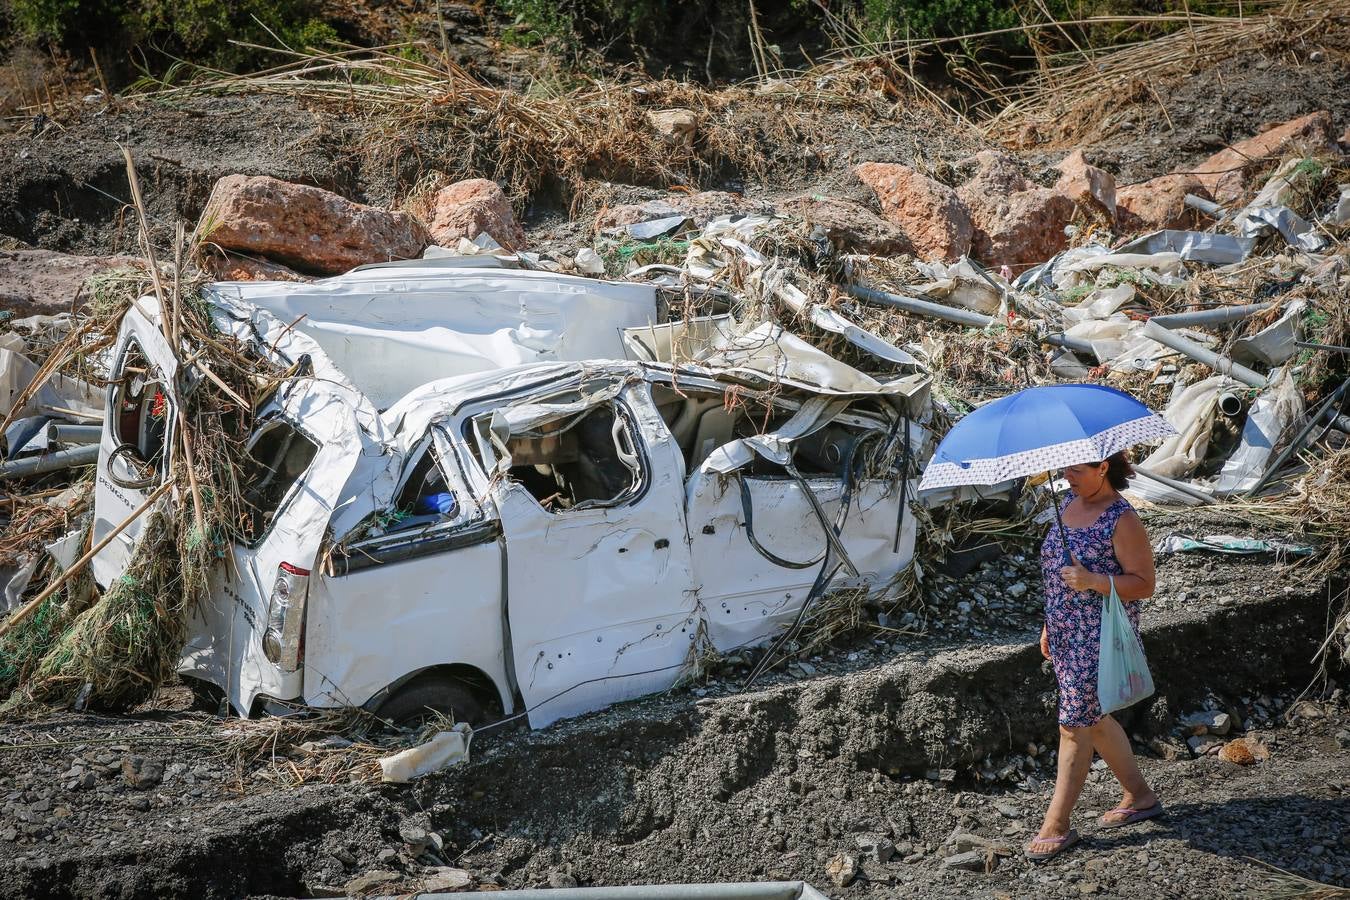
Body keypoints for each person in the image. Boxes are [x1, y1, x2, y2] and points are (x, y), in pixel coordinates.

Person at [1026, 451, 1162, 861]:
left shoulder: (1122, 518)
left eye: (1076, 469)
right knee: (1095, 718)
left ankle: (1057, 824)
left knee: (1074, 725)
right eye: (1065, 468)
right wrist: (1050, 623)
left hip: (1100, 637)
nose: (1067, 476)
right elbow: (1057, 575)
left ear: (1103, 468)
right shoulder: (1068, 503)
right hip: (1066, 632)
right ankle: (1140, 796)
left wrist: (1093, 581)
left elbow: (1144, 584)